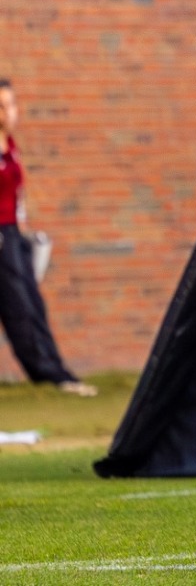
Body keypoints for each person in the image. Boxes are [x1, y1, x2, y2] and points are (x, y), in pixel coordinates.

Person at [0, 80, 97, 397]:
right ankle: (46, 374)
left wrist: (25, 231)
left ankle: (58, 370)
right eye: (1, 106)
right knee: (19, 308)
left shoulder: (11, 145)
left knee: (34, 304)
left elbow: (17, 192)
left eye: (10, 105)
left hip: (13, 232)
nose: (8, 113)